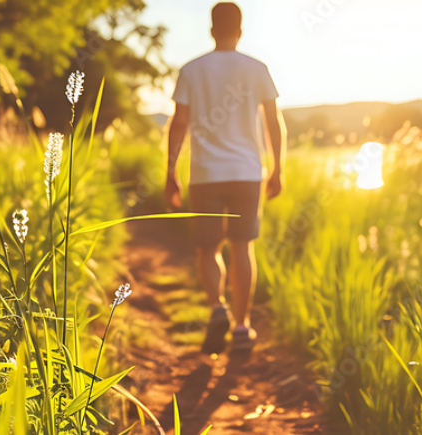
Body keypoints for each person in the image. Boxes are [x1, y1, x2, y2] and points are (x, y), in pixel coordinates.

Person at [165, 2, 286, 353]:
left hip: (204, 175)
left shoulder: (191, 70)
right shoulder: (258, 69)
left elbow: (178, 125)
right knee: (242, 247)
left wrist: (171, 172)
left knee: (207, 248)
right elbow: (273, 123)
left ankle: (218, 307)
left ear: (211, 29)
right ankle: (242, 327)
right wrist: (277, 167)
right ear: (241, 29)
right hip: (248, 172)